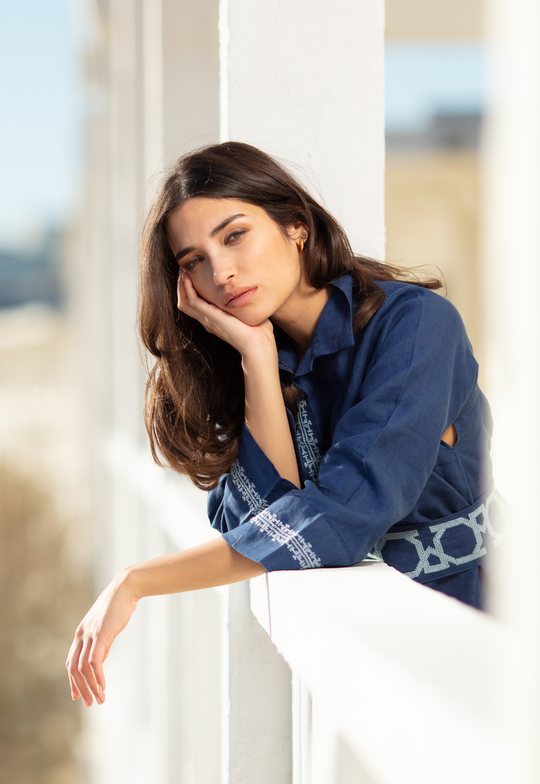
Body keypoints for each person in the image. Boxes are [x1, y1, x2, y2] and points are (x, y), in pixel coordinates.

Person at [66, 141, 503, 708]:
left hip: (482, 626)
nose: (219, 271)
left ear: (295, 226)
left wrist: (139, 581)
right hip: (363, 653)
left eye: (234, 235)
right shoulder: (261, 362)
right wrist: (255, 358)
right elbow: (260, 522)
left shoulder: (415, 327)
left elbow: (337, 518)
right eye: (193, 260)